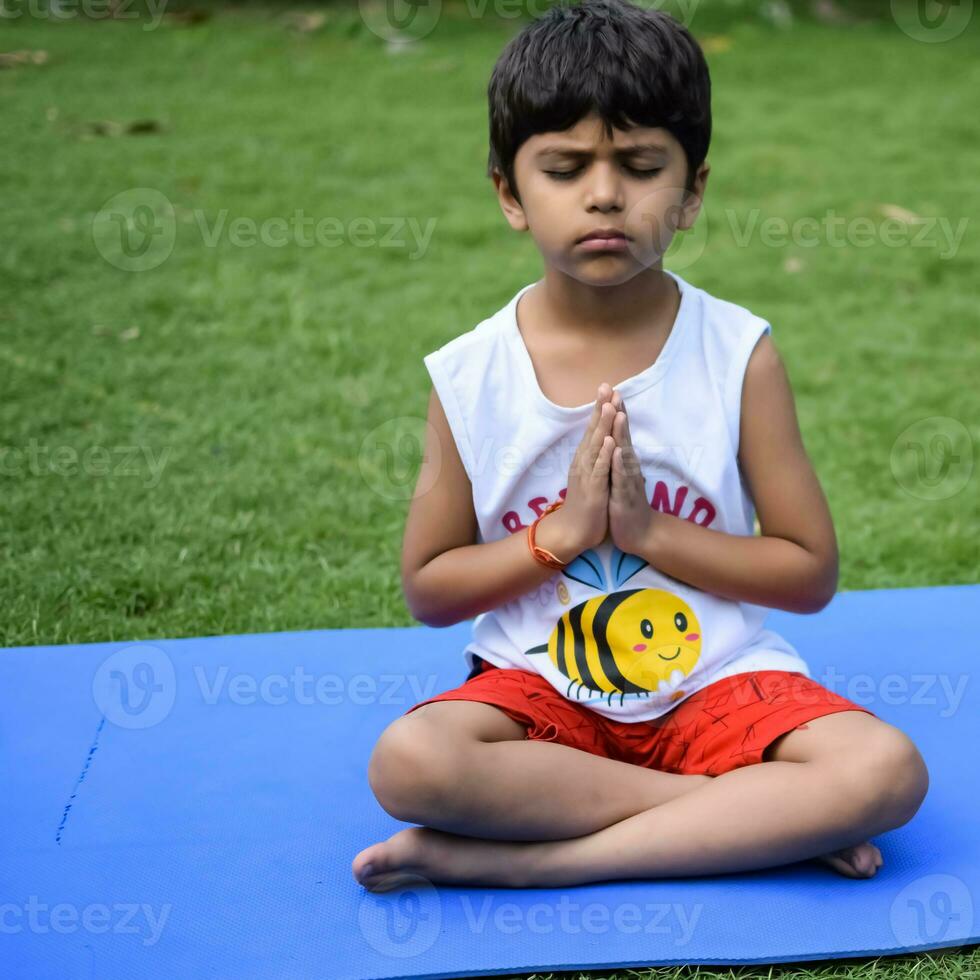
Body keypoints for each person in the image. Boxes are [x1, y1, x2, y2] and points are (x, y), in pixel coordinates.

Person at [352, 0, 928, 893]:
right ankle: (748, 817)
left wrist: (649, 535)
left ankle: (534, 866)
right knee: (410, 764)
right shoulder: (469, 373)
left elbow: (808, 573)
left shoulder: (738, 352)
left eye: (641, 165)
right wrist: (568, 534)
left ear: (693, 190)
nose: (605, 193)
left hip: (721, 688)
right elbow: (431, 589)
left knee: (885, 771)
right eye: (564, 167)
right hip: (538, 691)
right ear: (509, 191)